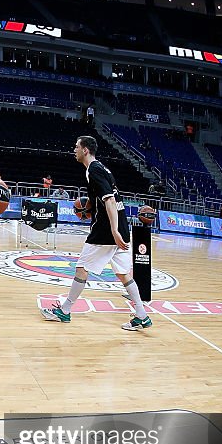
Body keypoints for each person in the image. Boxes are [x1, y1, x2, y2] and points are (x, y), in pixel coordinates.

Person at [41, 135, 152, 332]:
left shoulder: (93, 170)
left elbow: (109, 200)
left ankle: (65, 310)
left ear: (85, 150)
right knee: (124, 274)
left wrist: (114, 230)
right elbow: (112, 200)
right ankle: (142, 316)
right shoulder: (103, 168)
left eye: (76, 147)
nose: (73, 150)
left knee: (81, 268)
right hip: (122, 228)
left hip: (106, 231)